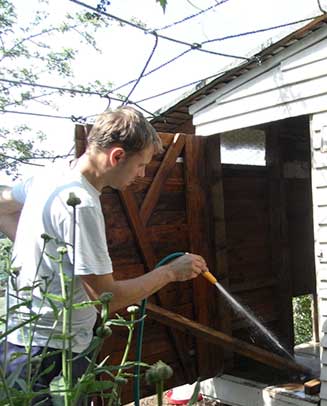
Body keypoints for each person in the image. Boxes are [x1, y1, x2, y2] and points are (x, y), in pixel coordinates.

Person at [0, 106, 208, 398]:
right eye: (140, 165)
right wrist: (171, 272)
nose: (142, 174)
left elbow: (2, 205)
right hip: (53, 354)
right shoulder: (81, 203)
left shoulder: (50, 177)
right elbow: (105, 299)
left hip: (17, 342)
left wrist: (42, 246)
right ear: (117, 156)